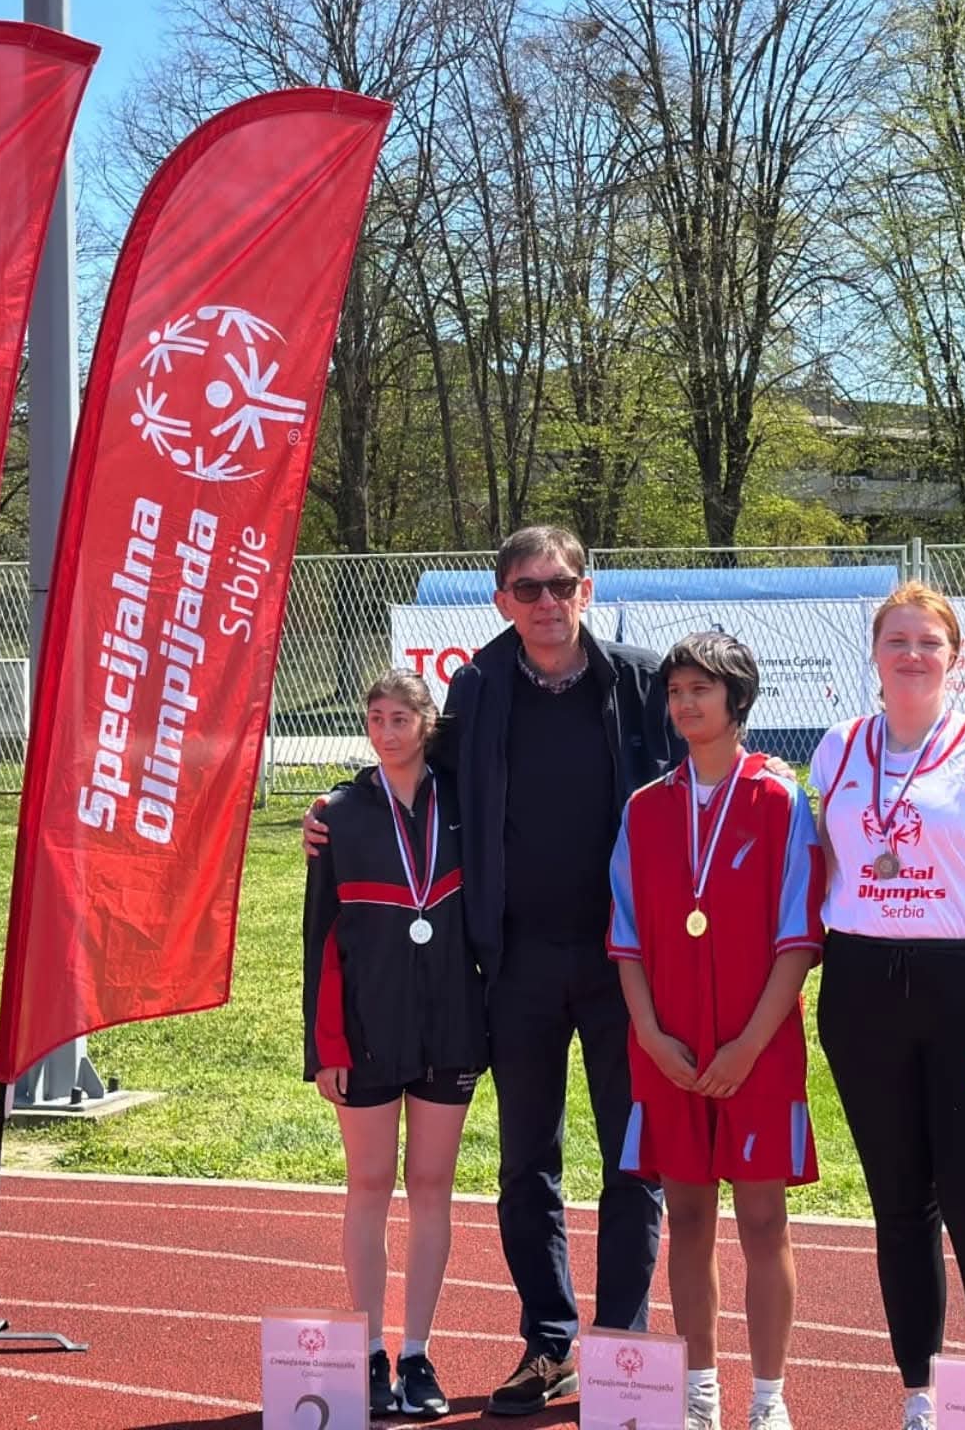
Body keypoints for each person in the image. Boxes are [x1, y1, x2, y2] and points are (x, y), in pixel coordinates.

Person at [306, 525, 683, 1415]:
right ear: (501, 600)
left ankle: (621, 1349)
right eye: (528, 588)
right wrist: (342, 802)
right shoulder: (478, 687)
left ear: (588, 589)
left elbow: (697, 769)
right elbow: (414, 758)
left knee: (635, 1161)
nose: (547, 602)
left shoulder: (639, 682)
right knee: (527, 1167)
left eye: (561, 585)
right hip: (514, 966)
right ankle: (549, 1345)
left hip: (625, 965)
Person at [808, 582, 965, 1430]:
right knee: (900, 1205)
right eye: (897, 641)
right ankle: (921, 1394)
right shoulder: (838, 749)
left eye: (928, 642)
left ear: (955, 656)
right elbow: (827, 870)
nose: (912, 654)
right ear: (875, 654)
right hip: (862, 988)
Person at [607, 632, 825, 1430]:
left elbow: (798, 938)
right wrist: (649, 1034)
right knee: (689, 1220)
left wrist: (748, 1046)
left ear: (738, 699)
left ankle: (768, 1400)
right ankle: (700, 1394)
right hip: (667, 1050)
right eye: (675, 692)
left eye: (701, 689)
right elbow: (626, 937)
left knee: (764, 1222)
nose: (685, 704)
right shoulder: (645, 808)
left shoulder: (779, 799)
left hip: (756, 1050)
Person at [302, 669, 487, 1420]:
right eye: (375, 718)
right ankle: (371, 1352)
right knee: (370, 1183)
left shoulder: (464, 807)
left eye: (400, 718)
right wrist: (325, 1047)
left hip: (450, 1024)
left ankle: (417, 1352)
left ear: (427, 723)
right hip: (366, 1027)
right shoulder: (340, 815)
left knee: (432, 1186)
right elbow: (319, 939)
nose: (386, 732)